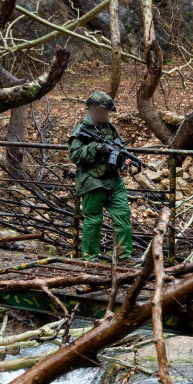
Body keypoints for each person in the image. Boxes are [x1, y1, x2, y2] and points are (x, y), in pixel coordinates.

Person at [68, 91, 139, 264]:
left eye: (107, 112)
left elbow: (120, 145)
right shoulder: (81, 131)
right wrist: (96, 148)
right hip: (92, 180)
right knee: (93, 220)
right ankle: (90, 259)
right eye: (102, 111)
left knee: (123, 215)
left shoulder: (109, 128)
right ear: (92, 109)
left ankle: (123, 256)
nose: (105, 115)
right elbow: (75, 155)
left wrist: (124, 158)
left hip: (112, 179)